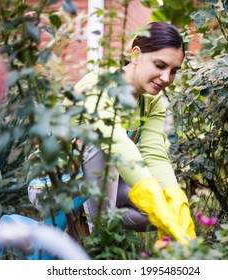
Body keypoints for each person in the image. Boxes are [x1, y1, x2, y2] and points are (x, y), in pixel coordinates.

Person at [72, 21, 196, 243]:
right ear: (136, 55)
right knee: (101, 141)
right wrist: (150, 195)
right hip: (59, 186)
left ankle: (91, 226)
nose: (166, 78)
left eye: (174, 71)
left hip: (107, 185)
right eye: (160, 65)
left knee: (160, 213)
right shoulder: (98, 86)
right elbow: (116, 142)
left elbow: (154, 153)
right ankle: (100, 236)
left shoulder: (152, 101)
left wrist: (174, 198)